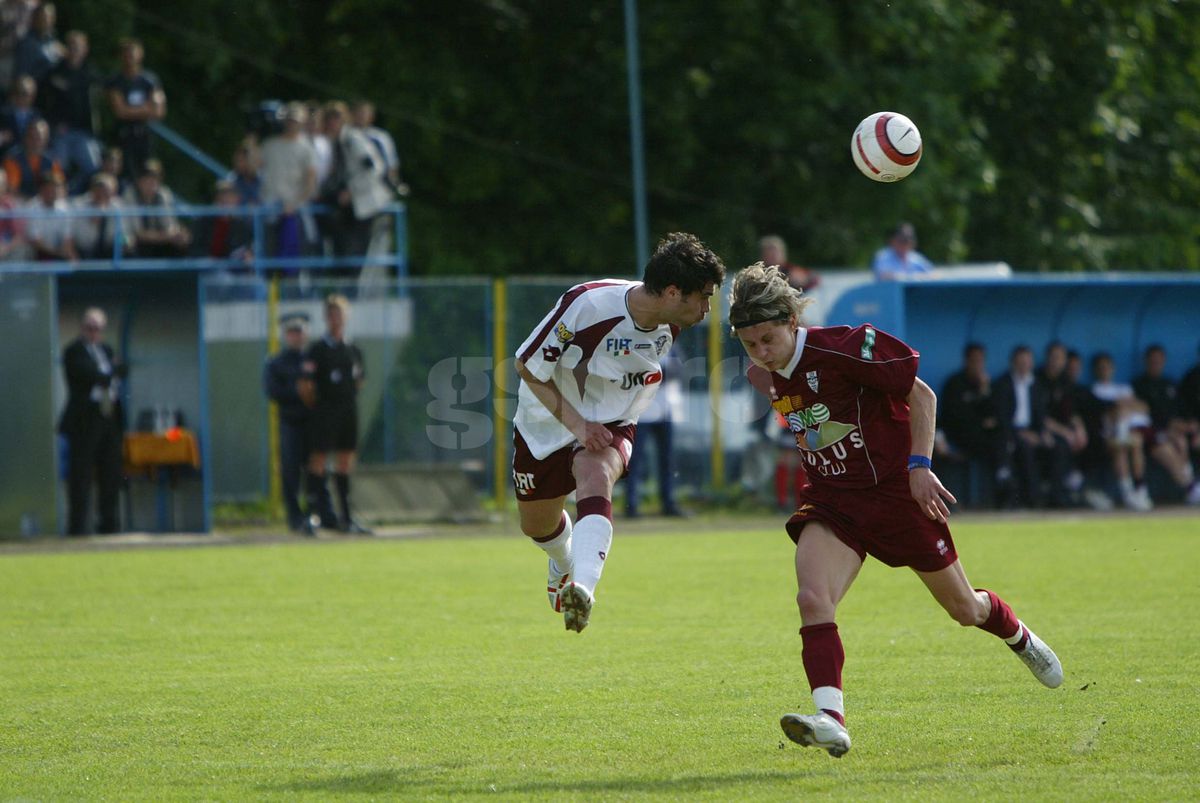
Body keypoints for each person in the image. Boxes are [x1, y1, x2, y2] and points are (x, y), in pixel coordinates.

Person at [727, 263, 1061, 759]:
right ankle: (831, 719)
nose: (761, 353)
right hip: (833, 502)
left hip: (897, 496)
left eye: (768, 339)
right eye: (750, 343)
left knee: (964, 609)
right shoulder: (763, 375)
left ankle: (1017, 635)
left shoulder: (845, 347)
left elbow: (920, 394)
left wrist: (919, 466)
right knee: (812, 598)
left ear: (792, 323)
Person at [512, 232, 725, 633]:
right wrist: (577, 424)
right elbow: (527, 366)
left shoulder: (672, 323)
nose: (707, 308)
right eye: (703, 297)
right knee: (537, 526)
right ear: (673, 292)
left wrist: (596, 426)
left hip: (613, 417)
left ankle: (583, 588)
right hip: (546, 418)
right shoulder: (588, 304)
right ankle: (563, 560)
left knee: (596, 473)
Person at [299, 294, 371, 534]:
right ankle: (312, 516)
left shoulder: (353, 349)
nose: (336, 319)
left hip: (347, 411)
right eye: (331, 315)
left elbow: (360, 381)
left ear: (346, 316)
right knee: (318, 460)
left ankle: (347, 519)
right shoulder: (318, 349)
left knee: (344, 461)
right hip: (325, 411)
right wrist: (320, 407)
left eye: (339, 314)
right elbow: (306, 386)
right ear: (325, 318)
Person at [58, 307, 125, 535]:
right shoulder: (73, 351)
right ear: (82, 328)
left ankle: (109, 524)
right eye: (90, 327)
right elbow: (91, 375)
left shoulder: (106, 349)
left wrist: (110, 372)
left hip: (108, 417)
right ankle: (77, 528)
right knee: (81, 475)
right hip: (85, 420)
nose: (94, 332)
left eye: (98, 328)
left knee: (111, 473)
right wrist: (109, 372)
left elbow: (120, 371)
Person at [317, 100, 393, 273]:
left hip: (365, 202)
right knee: (342, 245)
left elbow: (374, 168)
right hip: (352, 205)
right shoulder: (335, 143)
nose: (332, 123)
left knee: (356, 251)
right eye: (329, 119)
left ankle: (351, 290)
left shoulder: (352, 139)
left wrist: (351, 191)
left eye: (336, 118)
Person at [264, 312, 316, 534]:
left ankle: (315, 514)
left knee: (315, 471)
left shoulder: (314, 359)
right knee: (291, 470)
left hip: (313, 423)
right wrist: (297, 392)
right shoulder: (276, 362)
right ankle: (295, 518)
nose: (296, 336)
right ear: (286, 335)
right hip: (291, 422)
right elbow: (273, 391)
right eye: (291, 332)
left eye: (299, 331)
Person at [1132, 344, 1200, 505]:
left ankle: (1191, 484)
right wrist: (1168, 428)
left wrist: (1189, 425)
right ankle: (1190, 487)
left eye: (1159, 360)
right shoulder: (1139, 385)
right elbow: (1144, 416)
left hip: (1178, 432)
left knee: (1182, 441)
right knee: (1170, 446)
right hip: (1151, 433)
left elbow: (1181, 411)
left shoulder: (1169, 384)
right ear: (1146, 361)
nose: (1156, 363)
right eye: (1153, 360)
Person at [623, 348, 685, 518]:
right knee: (634, 460)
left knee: (667, 460)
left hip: (666, 410)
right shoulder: (642, 344)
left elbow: (676, 371)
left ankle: (668, 502)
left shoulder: (671, 348)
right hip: (642, 413)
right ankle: (632, 504)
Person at [40, 30, 100, 195]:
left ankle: (75, 194)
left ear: (85, 49)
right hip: (61, 131)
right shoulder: (56, 70)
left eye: (78, 47)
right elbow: (44, 96)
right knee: (58, 168)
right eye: (71, 46)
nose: (74, 50)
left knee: (94, 168)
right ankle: (62, 197)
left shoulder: (90, 72)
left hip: (83, 131)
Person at [1090, 352, 1152, 511]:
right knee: (1120, 447)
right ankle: (1127, 493)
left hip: (1132, 431)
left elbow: (1143, 407)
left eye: (1107, 367)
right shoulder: (1095, 390)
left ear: (1113, 368)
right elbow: (1107, 413)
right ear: (1096, 370)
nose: (1105, 370)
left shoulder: (1124, 388)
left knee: (1135, 441)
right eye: (1101, 368)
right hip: (1109, 435)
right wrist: (1120, 406)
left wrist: (1125, 406)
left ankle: (1139, 490)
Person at [259, 101, 317, 271]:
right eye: (289, 119)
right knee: (269, 255)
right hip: (270, 208)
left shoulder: (307, 148)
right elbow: (253, 166)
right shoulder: (269, 144)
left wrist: (295, 204)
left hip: (295, 212)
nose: (292, 124)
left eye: (295, 120)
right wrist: (251, 138)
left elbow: (310, 182)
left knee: (297, 256)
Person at [992, 345, 1049, 509]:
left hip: (1033, 431)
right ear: (1013, 363)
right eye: (1020, 362)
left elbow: (1041, 413)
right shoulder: (1003, 384)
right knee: (1024, 449)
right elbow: (1002, 416)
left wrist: (1042, 432)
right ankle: (1028, 497)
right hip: (1010, 432)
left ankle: (1059, 494)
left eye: (1027, 362)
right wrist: (1020, 434)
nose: (1024, 365)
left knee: (1058, 447)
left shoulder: (1036, 384)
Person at [106, 38, 166, 183]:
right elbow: (120, 111)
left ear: (140, 55)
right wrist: (146, 108)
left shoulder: (150, 80)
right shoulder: (116, 81)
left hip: (145, 135)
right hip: (123, 135)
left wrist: (130, 110)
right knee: (124, 175)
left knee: (146, 172)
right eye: (126, 54)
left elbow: (159, 111)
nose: (130, 58)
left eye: (132, 54)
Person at [1037, 341, 1088, 507]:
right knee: (1060, 445)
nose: (1056, 361)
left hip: (1062, 431)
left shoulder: (1065, 381)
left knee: (1091, 440)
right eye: (1054, 357)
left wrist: (1080, 429)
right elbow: (1040, 416)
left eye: (1060, 358)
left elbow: (1072, 412)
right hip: (1041, 429)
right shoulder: (1037, 380)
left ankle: (1080, 487)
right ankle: (1056, 496)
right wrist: (1065, 432)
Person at [122, 158, 189, 257]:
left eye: (155, 178)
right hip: (136, 241)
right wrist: (166, 236)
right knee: (128, 246)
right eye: (147, 178)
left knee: (183, 243)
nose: (152, 182)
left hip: (159, 240)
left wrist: (177, 235)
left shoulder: (164, 194)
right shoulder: (129, 195)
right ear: (139, 181)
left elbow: (169, 225)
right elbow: (137, 233)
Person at [188, 178, 253, 266]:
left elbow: (244, 250)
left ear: (237, 200)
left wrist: (247, 256)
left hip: (231, 270)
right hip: (205, 268)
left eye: (230, 195)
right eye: (222, 195)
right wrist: (209, 260)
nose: (226, 199)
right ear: (216, 198)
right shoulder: (203, 220)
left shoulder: (241, 225)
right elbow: (194, 249)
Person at [71, 171, 134, 260]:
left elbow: (125, 234)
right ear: (91, 189)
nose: (101, 193)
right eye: (98, 188)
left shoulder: (119, 206)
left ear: (113, 191)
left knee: (130, 251)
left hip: (110, 249)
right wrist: (93, 223)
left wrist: (126, 242)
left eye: (106, 189)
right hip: (84, 250)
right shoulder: (78, 205)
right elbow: (74, 237)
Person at [4, 116, 62, 197]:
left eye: (39, 137)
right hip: (19, 205)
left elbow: (59, 188)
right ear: (25, 137)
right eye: (32, 137)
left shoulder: (52, 161)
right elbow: (12, 190)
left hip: (45, 205)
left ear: (46, 139)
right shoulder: (13, 160)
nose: (35, 142)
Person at [24, 168, 75, 261]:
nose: (54, 192)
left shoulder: (65, 207)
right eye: (49, 188)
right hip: (35, 253)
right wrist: (58, 253)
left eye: (56, 187)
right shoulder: (31, 208)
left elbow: (67, 238)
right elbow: (35, 242)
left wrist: (69, 254)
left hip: (57, 251)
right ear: (41, 190)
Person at [0, 74, 40, 157]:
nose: (21, 97)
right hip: (7, 155)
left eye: (25, 94)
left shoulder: (36, 116)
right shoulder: (4, 113)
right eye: (18, 92)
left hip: (28, 156)